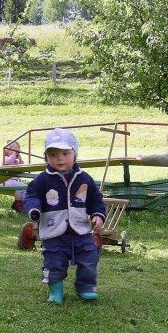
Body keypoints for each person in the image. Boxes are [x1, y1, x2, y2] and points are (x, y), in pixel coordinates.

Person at [23, 128, 106, 304]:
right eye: (53, 154)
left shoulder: (84, 178)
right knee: (54, 262)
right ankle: (55, 291)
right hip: (54, 232)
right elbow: (31, 196)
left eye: (65, 153)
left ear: (75, 154)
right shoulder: (42, 180)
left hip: (81, 231)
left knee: (90, 259)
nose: (59, 158)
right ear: (46, 157)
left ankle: (85, 287)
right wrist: (34, 209)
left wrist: (98, 215)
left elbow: (96, 200)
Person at [2, 140, 26, 213]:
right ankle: (17, 203)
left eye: (18, 151)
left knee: (26, 188)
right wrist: (14, 154)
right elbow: (9, 161)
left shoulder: (16, 161)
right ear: (7, 151)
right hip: (7, 181)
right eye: (14, 151)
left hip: (15, 181)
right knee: (19, 187)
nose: (16, 153)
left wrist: (20, 159)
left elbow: (22, 167)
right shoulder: (5, 159)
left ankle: (24, 206)